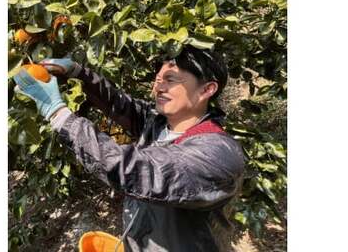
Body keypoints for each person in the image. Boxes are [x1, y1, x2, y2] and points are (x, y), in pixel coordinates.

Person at [13, 45, 246, 252]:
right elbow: (119, 103)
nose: (159, 87)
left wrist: (58, 113)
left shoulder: (216, 155)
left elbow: (131, 169)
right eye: (157, 79)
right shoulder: (159, 123)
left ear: (206, 90)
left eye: (171, 79)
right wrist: (78, 72)